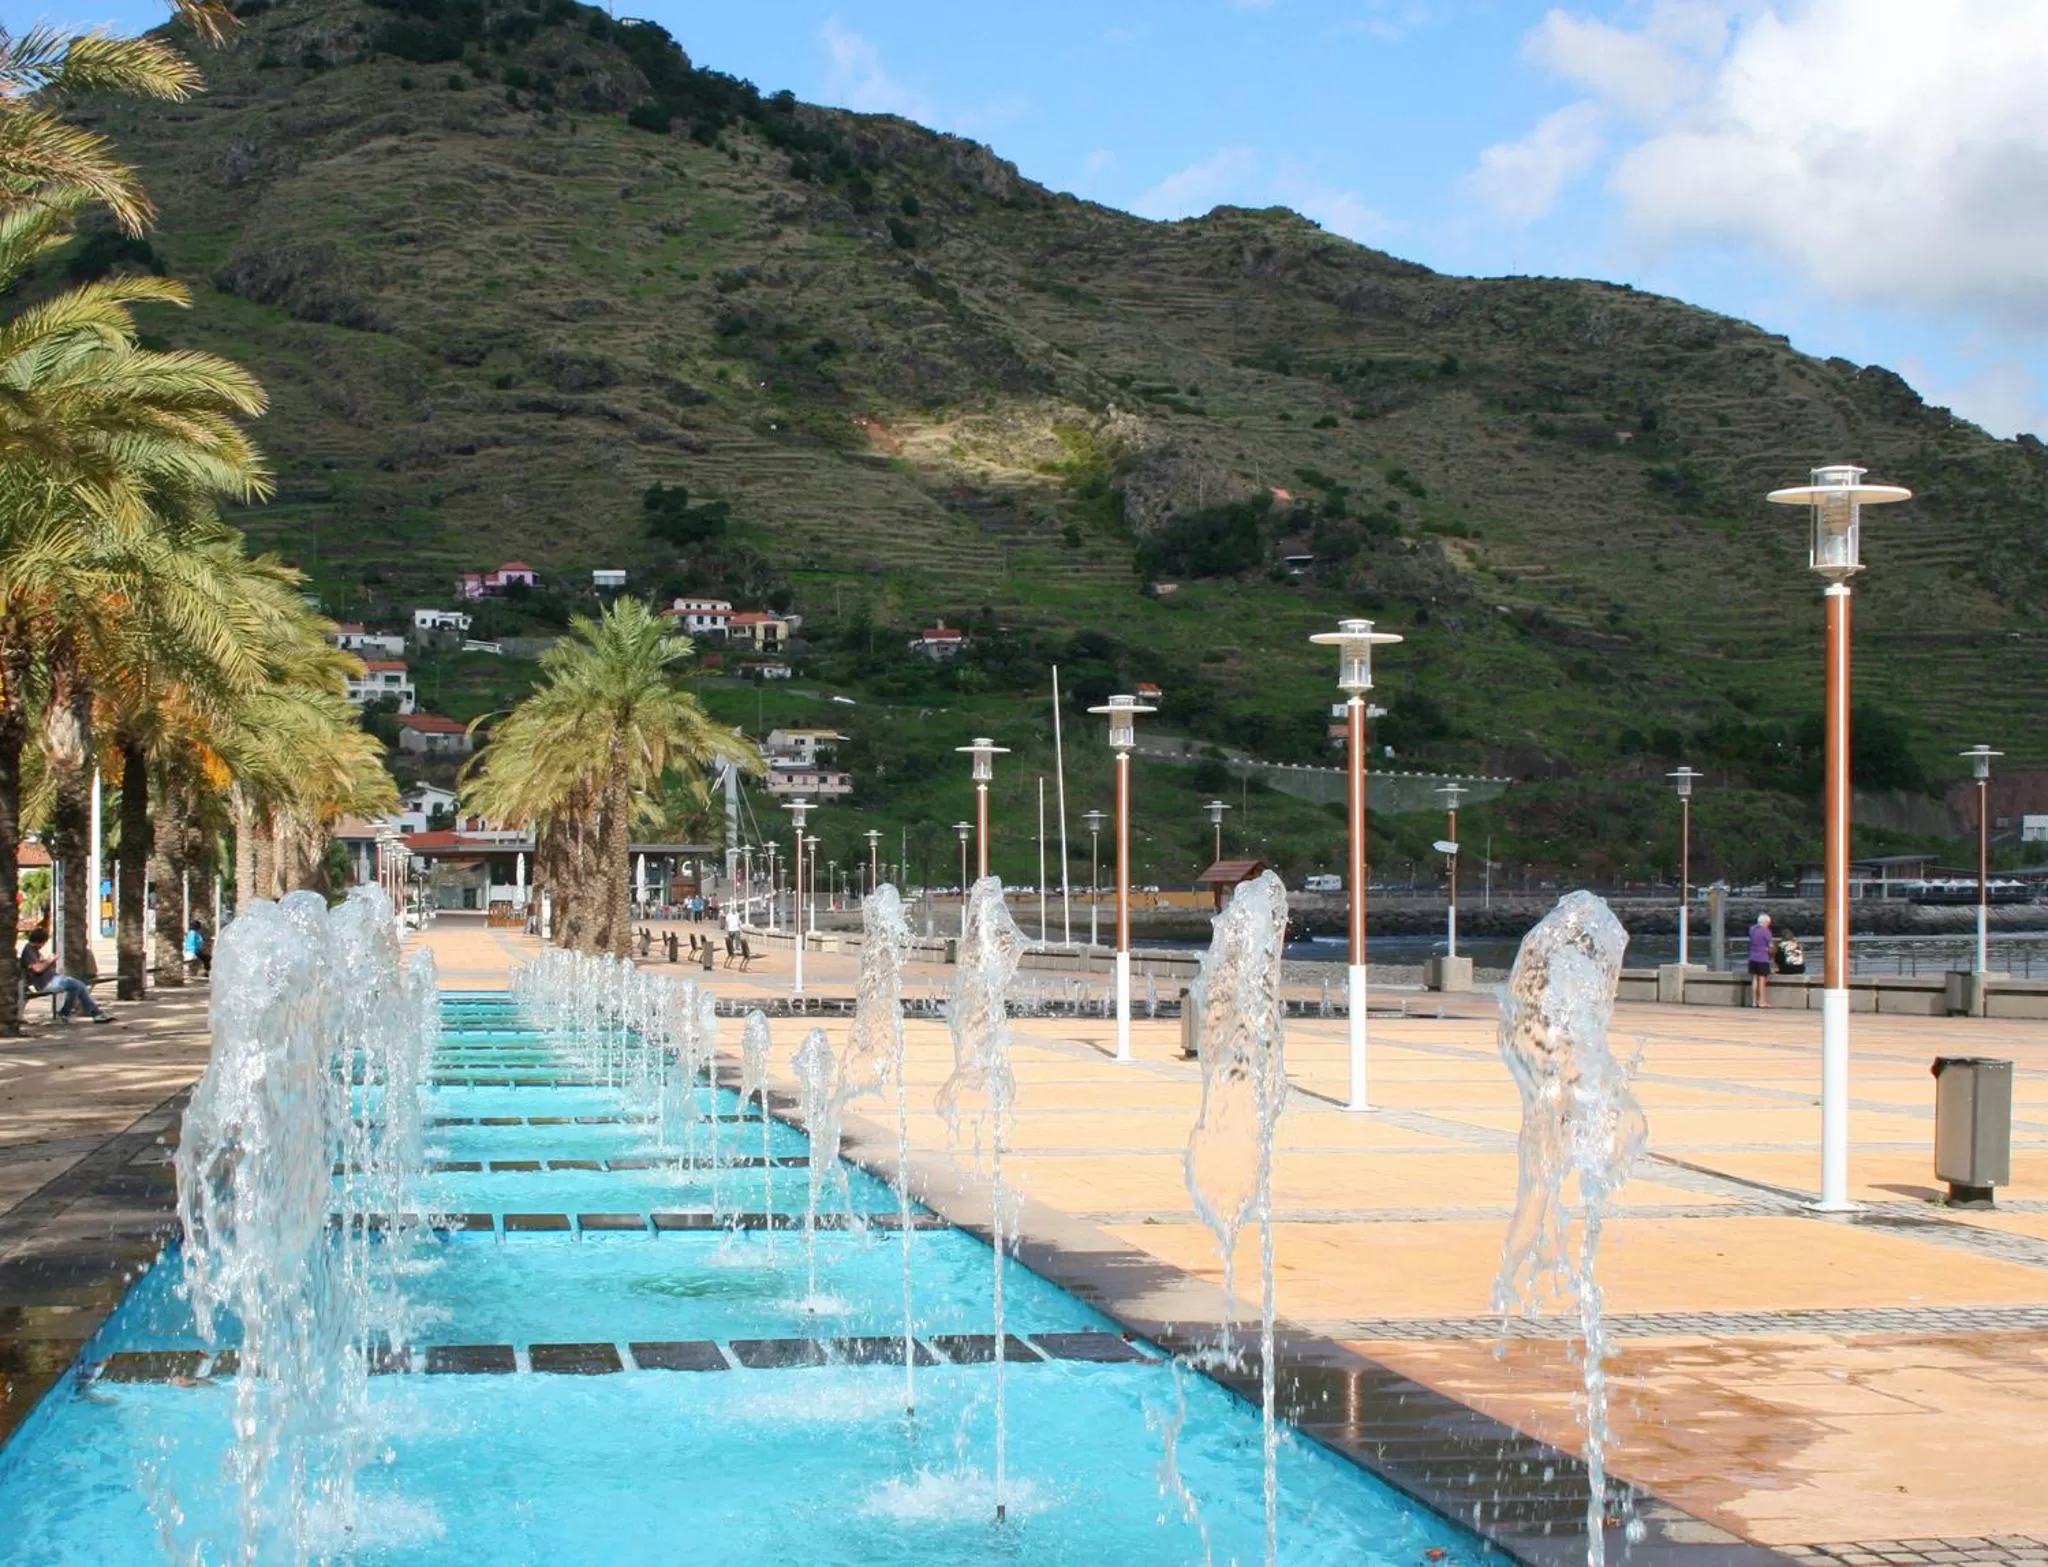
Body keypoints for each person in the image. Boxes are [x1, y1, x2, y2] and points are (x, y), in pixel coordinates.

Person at [19, 926, 111, 1023]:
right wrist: (49, 960)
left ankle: (67, 1012)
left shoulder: (33, 950)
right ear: (42, 941)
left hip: (53, 979)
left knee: (77, 986)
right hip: (47, 983)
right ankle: (95, 1014)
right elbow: (37, 969)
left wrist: (47, 961)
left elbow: (38, 966)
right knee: (79, 985)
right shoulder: (29, 950)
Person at [1747, 911, 1774, 1007]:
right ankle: (1762, 1001)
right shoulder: (1766, 932)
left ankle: (1754, 1001)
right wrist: (1770, 952)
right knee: (1762, 981)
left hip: (1752, 958)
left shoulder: (1752, 929)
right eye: (1768, 923)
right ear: (1765, 922)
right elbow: (1771, 946)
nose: (1769, 925)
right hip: (1762, 958)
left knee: (1754, 979)